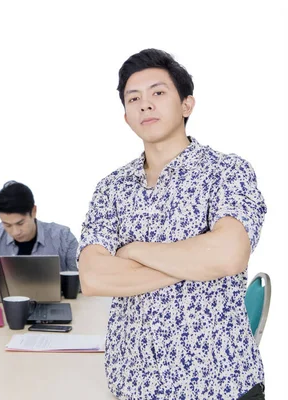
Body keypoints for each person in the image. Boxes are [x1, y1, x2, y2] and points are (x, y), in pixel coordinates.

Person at [78, 49, 266, 399]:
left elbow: (228, 255)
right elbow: (93, 277)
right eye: (134, 98)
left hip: (220, 382)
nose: (145, 104)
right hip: (135, 384)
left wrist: (131, 251)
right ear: (126, 116)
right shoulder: (111, 188)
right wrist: (197, 262)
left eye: (158, 93)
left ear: (186, 105)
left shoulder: (227, 172)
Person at [0, 181, 78, 293]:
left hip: (53, 306)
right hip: (4, 306)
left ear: (34, 211)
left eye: (20, 223)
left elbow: (83, 281)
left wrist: (55, 287)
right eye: (7, 225)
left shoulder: (63, 236)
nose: (15, 232)